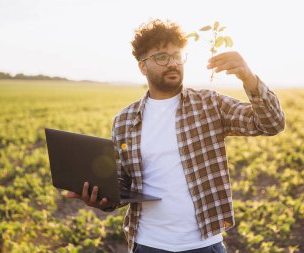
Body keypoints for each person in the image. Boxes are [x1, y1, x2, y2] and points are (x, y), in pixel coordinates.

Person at [66, 19, 285, 253]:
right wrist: (101, 198)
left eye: (177, 55)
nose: (172, 63)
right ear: (142, 66)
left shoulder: (209, 104)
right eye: (162, 56)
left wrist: (248, 78)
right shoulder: (125, 120)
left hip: (204, 245)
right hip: (147, 244)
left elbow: (271, 123)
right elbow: (123, 186)